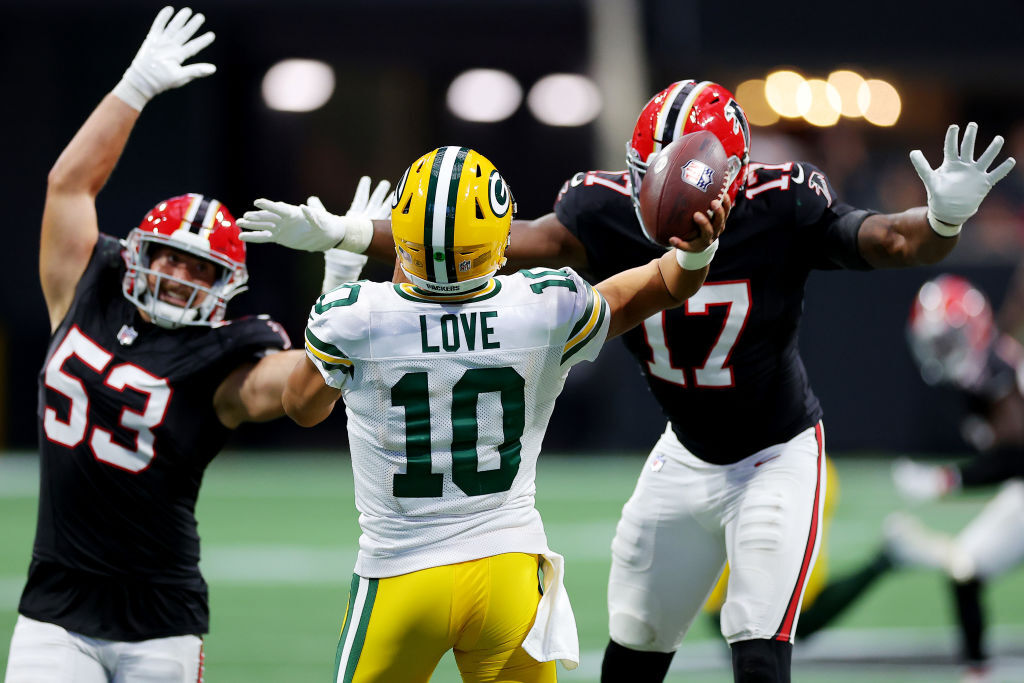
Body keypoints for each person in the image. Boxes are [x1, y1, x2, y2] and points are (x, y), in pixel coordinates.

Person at [266, 79, 1018, 682]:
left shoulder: (780, 203)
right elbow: (498, 240)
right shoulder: (603, 208)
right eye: (638, 174)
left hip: (774, 453)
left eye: (661, 180)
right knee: (634, 643)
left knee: (757, 641)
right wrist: (350, 230)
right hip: (684, 452)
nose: (644, 195)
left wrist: (942, 221)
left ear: (727, 181)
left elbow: (891, 241)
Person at [237, 144, 727, 682]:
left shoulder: (355, 315)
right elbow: (664, 284)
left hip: (400, 575)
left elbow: (302, 409)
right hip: (507, 574)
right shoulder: (544, 306)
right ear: (499, 235)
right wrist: (698, 249)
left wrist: (337, 284)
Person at [3, 8, 385, 682]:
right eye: (170, 257)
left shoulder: (222, 357)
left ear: (224, 285)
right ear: (139, 253)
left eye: (200, 267)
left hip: (160, 622)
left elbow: (305, 396)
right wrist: (133, 88)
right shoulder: (86, 287)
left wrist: (340, 283)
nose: (180, 275)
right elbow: (68, 184)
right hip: (54, 611)